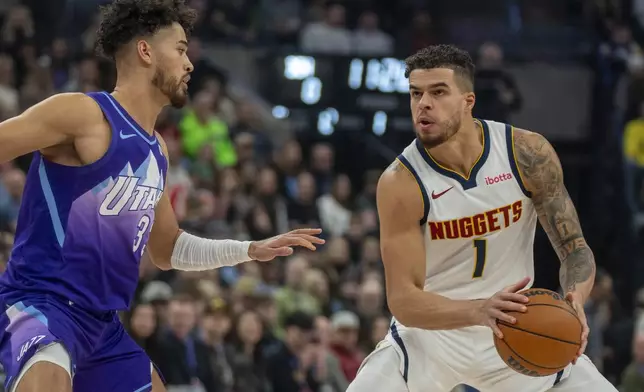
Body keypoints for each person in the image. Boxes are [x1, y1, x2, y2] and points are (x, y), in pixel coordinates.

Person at [0, 1, 324, 391]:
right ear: (146, 51)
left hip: (102, 326)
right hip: (39, 305)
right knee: (46, 374)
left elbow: (167, 250)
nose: (189, 64)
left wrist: (248, 249)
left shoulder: (157, 152)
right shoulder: (84, 115)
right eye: (182, 49)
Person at [347, 44, 617, 392]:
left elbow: (575, 249)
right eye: (415, 93)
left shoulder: (525, 153)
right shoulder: (401, 181)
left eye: (438, 92)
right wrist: (479, 311)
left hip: (519, 327)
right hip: (432, 339)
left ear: (468, 101)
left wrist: (575, 300)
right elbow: (403, 300)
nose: (423, 104)